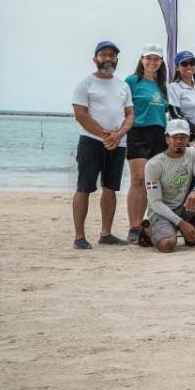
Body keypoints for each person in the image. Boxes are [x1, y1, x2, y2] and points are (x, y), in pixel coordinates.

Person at [70, 39, 133, 249]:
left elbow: (130, 114)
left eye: (112, 55)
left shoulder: (123, 85)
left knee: (110, 188)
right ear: (95, 58)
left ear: (116, 59)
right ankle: (79, 236)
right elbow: (80, 115)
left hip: (118, 143)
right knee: (84, 188)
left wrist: (119, 134)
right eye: (103, 54)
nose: (108, 58)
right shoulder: (85, 83)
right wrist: (105, 135)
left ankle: (106, 233)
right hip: (92, 142)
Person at [141, 118, 195, 253]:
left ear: (188, 139)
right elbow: (155, 203)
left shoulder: (192, 153)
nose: (179, 141)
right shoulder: (153, 164)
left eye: (183, 137)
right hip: (161, 212)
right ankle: (148, 230)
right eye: (175, 137)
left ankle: (191, 225)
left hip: (183, 207)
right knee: (168, 244)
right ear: (167, 139)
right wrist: (181, 223)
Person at [125, 43, 171, 245]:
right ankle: (133, 226)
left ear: (161, 62)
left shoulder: (163, 86)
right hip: (138, 132)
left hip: (159, 134)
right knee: (137, 178)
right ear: (142, 60)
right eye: (148, 58)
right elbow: (123, 109)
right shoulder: (132, 81)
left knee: (152, 182)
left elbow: (167, 112)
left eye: (157, 59)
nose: (152, 62)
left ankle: (148, 222)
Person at [170, 50, 195, 145]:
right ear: (177, 68)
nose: (189, 66)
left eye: (192, 63)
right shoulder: (173, 87)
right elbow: (175, 114)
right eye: (184, 64)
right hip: (182, 139)